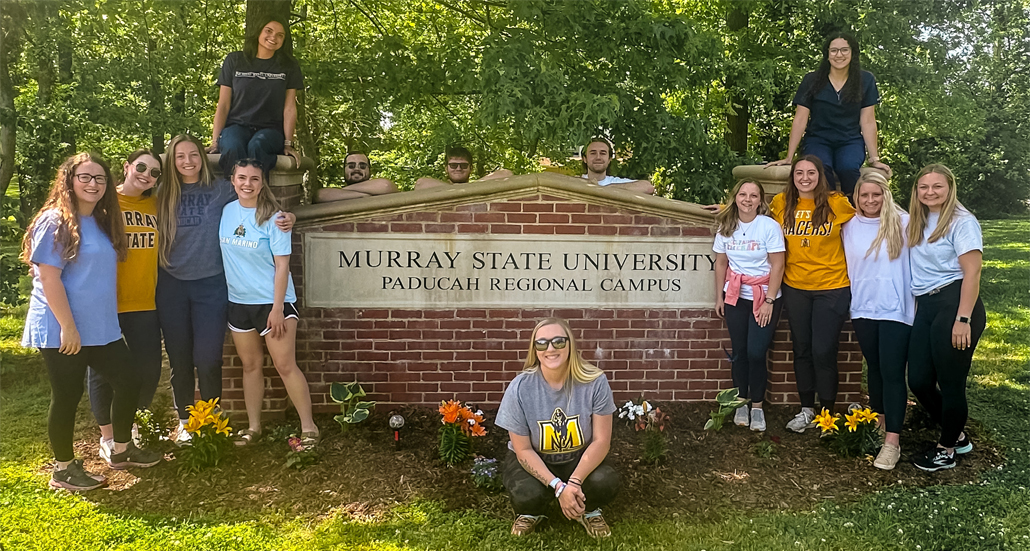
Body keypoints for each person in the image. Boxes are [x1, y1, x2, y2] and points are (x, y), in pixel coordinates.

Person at [21, 153, 162, 491]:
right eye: (85, 177)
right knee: (66, 396)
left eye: (99, 178)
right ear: (69, 180)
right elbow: (49, 278)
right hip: (63, 329)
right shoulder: (55, 220)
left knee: (129, 379)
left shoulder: (101, 220)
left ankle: (121, 449)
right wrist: (68, 327)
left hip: (99, 327)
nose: (93, 184)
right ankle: (64, 469)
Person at [157, 134, 293, 444]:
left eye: (193, 154)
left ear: (202, 158)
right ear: (172, 161)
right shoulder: (162, 192)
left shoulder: (221, 190)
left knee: (207, 358)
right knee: (179, 358)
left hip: (211, 285)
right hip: (171, 284)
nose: (188, 161)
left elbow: (259, 204)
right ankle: (184, 421)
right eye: (180, 156)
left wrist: (290, 217)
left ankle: (211, 419)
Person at [219, 159, 319, 445]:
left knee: (285, 365)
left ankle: (309, 428)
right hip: (238, 303)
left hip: (273, 304)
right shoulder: (226, 212)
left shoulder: (274, 218)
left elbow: (282, 266)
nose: (247, 183)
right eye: (242, 178)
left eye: (254, 178)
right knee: (250, 366)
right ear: (232, 180)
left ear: (262, 183)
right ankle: (253, 427)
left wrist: (277, 309)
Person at [495, 318, 620, 538]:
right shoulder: (520, 388)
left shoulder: (595, 382)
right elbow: (522, 450)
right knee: (526, 494)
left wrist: (573, 481)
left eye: (558, 342)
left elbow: (602, 441)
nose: (550, 349)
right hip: (536, 458)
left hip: (578, 459)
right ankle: (533, 511)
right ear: (535, 350)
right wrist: (558, 487)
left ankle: (588, 510)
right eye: (541, 343)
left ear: (570, 344)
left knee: (605, 481)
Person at [905, 164, 985, 472]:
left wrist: (962, 319)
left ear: (950, 188)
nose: (930, 192)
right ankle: (958, 435)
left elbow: (973, 272)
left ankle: (946, 449)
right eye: (924, 187)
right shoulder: (917, 220)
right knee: (920, 381)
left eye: (937, 187)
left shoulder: (962, 222)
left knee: (951, 383)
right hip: (926, 305)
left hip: (955, 304)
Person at [86, 150, 165, 462]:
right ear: (128, 167)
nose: (147, 175)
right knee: (103, 372)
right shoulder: (105, 204)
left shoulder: (156, 205)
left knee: (148, 369)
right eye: (142, 167)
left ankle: (129, 429)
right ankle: (107, 437)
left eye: (155, 172)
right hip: (107, 303)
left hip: (145, 301)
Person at [769, 155, 856, 431]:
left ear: (820, 176)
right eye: (799, 173)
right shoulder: (781, 203)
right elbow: (752, 218)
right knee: (802, 349)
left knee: (824, 350)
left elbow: (869, 221)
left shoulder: (837, 203)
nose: (805, 178)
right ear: (792, 177)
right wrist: (725, 208)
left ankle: (827, 415)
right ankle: (806, 409)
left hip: (832, 287)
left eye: (811, 173)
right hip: (796, 287)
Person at [841, 171, 914, 470]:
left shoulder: (905, 223)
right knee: (875, 368)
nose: (870, 200)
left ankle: (892, 443)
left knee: (893, 372)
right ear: (856, 197)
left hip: (897, 309)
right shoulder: (847, 226)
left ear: (886, 195)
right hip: (863, 308)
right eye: (864, 195)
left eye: (876, 194)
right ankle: (879, 422)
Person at [766, 31, 891, 196]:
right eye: (834, 50)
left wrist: (875, 159)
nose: (839, 54)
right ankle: (830, 212)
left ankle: (854, 214)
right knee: (820, 168)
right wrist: (789, 157)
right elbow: (800, 119)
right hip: (818, 139)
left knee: (847, 168)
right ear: (827, 54)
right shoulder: (812, 80)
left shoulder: (865, 80)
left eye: (844, 50)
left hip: (850, 140)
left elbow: (868, 121)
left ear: (853, 53)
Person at [712, 180, 785, 433]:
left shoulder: (769, 227)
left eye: (753, 195)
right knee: (740, 352)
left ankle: (757, 406)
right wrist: (719, 297)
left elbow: (778, 265)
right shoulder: (726, 226)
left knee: (756, 352)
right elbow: (721, 263)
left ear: (760, 200)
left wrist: (769, 300)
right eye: (743, 194)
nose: (747, 199)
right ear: (735, 197)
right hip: (735, 296)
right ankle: (741, 401)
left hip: (764, 296)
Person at [208, 16, 302, 175]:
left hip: (271, 130)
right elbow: (223, 104)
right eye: (269, 31)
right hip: (236, 126)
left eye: (280, 35)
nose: (274, 37)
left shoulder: (289, 65)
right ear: (258, 32)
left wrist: (288, 143)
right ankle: (233, 196)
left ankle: (259, 195)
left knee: (257, 146)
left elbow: (290, 108)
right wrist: (215, 141)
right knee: (233, 147)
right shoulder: (235, 60)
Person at [413, 146, 514, 190]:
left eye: (463, 165)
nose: (458, 168)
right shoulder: (435, 189)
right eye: (453, 165)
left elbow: (507, 174)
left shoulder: (478, 189)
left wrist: (468, 188)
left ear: (471, 168)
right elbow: (420, 184)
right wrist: (453, 189)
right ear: (446, 168)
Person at [314, 151, 399, 202]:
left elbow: (386, 186)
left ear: (370, 170)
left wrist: (342, 191)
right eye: (351, 166)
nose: (357, 169)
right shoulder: (332, 193)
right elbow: (320, 196)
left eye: (362, 166)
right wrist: (362, 195)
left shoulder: (381, 187)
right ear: (343, 170)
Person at [580, 138, 654, 194]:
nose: (598, 157)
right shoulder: (577, 182)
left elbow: (648, 187)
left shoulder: (616, 182)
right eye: (593, 153)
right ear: (584, 159)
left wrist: (609, 188)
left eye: (603, 153)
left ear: (609, 159)